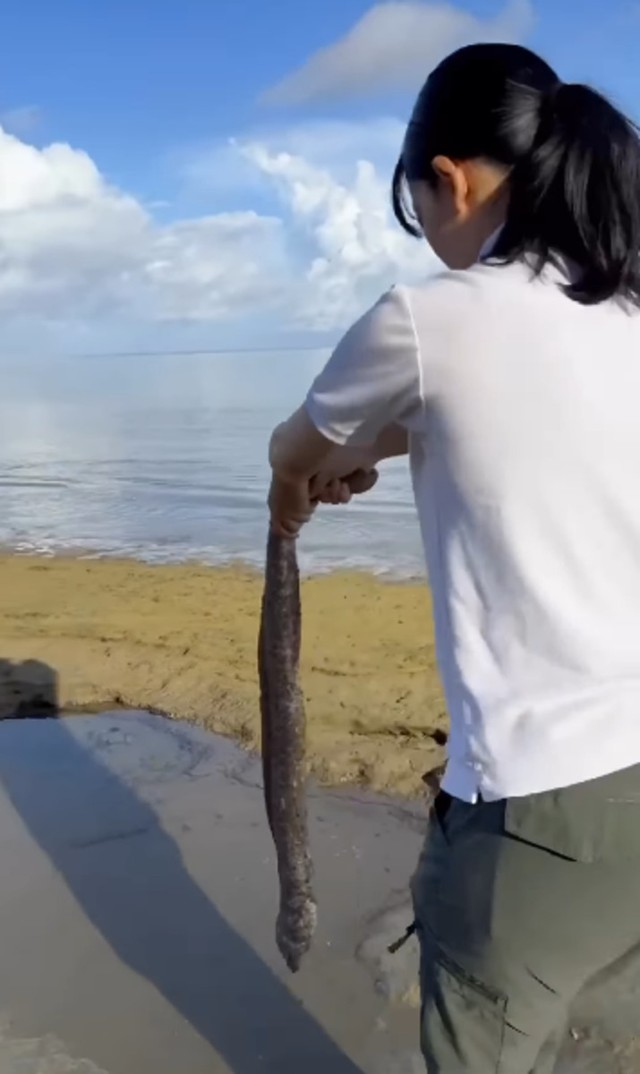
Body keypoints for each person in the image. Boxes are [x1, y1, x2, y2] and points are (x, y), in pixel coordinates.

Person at [267, 41, 640, 1074]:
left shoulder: (428, 318)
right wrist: (389, 444)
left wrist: (301, 486)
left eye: (416, 207)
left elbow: (292, 449)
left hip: (542, 804)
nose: (428, 234)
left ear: (449, 179)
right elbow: (508, 421)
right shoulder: (624, 311)